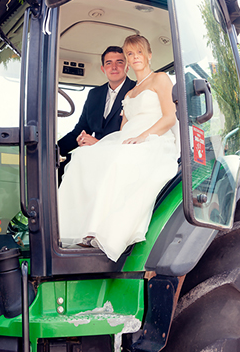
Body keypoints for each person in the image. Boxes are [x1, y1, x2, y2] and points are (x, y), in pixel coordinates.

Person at [58, 35, 179, 262]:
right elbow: (121, 132)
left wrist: (142, 137)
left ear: (149, 55)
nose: (135, 58)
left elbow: (169, 118)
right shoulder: (129, 94)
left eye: (139, 53)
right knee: (82, 158)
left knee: (117, 161)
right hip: (129, 139)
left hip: (154, 139)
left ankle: (99, 232)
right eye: (131, 55)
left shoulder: (160, 79)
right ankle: (73, 229)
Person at [58, 46, 136, 156]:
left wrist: (99, 144)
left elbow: (136, 135)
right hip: (95, 156)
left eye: (119, 62)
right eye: (109, 63)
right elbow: (80, 131)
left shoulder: (137, 90)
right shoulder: (94, 95)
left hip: (124, 156)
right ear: (103, 69)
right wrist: (54, 151)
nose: (114, 67)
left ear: (127, 67)